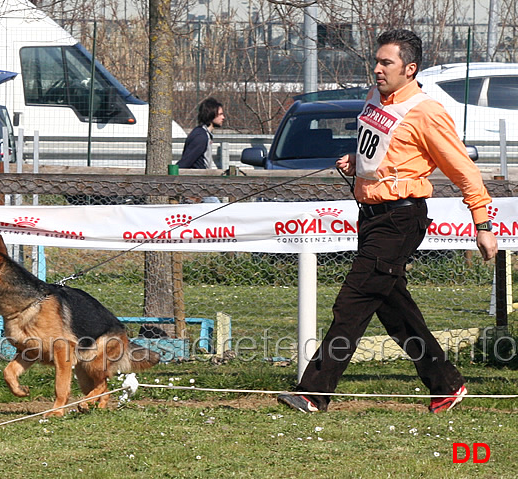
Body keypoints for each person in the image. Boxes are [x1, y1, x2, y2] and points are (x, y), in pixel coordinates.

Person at [277, 30, 498, 414]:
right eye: (376, 61)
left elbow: (466, 171)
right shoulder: (375, 98)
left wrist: (482, 224)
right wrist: (356, 162)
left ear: (409, 68)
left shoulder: (427, 112)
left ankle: (314, 392)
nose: (376, 69)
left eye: (386, 63)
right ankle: (446, 384)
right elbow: (381, 151)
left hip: (401, 218)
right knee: (394, 309)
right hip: (370, 216)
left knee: (353, 302)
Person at [177, 97, 225, 170]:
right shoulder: (201, 137)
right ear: (211, 114)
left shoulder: (204, 134)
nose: (223, 117)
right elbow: (185, 163)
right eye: (220, 114)